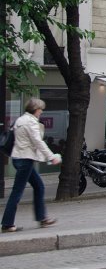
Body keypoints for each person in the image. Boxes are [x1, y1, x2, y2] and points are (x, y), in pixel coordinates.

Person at [2, 98, 61, 233]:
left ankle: (42, 218)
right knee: (17, 192)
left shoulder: (20, 119)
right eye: (41, 109)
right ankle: (7, 223)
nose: (41, 112)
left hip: (18, 158)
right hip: (25, 159)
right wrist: (52, 157)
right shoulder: (31, 122)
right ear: (36, 109)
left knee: (38, 186)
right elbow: (38, 142)